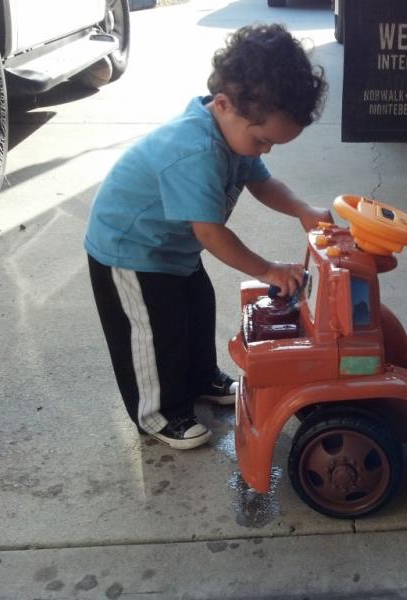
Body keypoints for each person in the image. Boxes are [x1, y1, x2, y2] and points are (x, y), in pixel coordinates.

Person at [84, 24, 329, 450]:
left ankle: (200, 379)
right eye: (263, 140)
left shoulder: (236, 139)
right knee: (155, 331)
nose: (264, 151)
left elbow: (263, 183)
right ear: (223, 104)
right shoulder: (196, 151)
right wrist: (268, 269)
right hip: (130, 251)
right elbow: (212, 234)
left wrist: (303, 211)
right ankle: (158, 413)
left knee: (196, 310)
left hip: (171, 246)